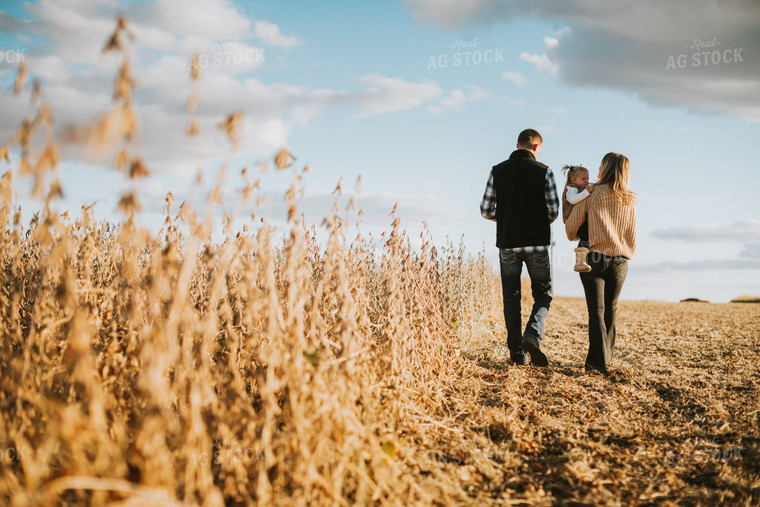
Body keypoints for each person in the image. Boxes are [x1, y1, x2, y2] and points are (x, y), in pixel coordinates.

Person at [480, 129, 559, 367]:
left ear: (518, 145)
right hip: (537, 243)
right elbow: (553, 211)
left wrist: (506, 217)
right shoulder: (545, 171)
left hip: (508, 243)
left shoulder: (498, 171)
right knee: (543, 293)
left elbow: (486, 209)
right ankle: (532, 335)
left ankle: (516, 353)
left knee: (511, 297)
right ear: (536, 148)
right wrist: (534, 220)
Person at [565, 152, 636, 375]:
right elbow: (632, 235)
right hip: (621, 261)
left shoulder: (592, 192)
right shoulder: (630, 199)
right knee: (611, 309)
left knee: (596, 312)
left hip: (593, 257)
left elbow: (570, 229)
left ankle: (597, 365)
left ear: (604, 168)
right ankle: (608, 358)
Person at [561, 165, 593, 272]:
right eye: (583, 179)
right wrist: (586, 192)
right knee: (585, 237)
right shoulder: (571, 189)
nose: (586, 181)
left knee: (586, 237)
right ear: (573, 179)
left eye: (587, 178)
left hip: (580, 218)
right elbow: (573, 200)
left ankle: (585, 260)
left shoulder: (580, 188)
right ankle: (580, 262)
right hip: (573, 218)